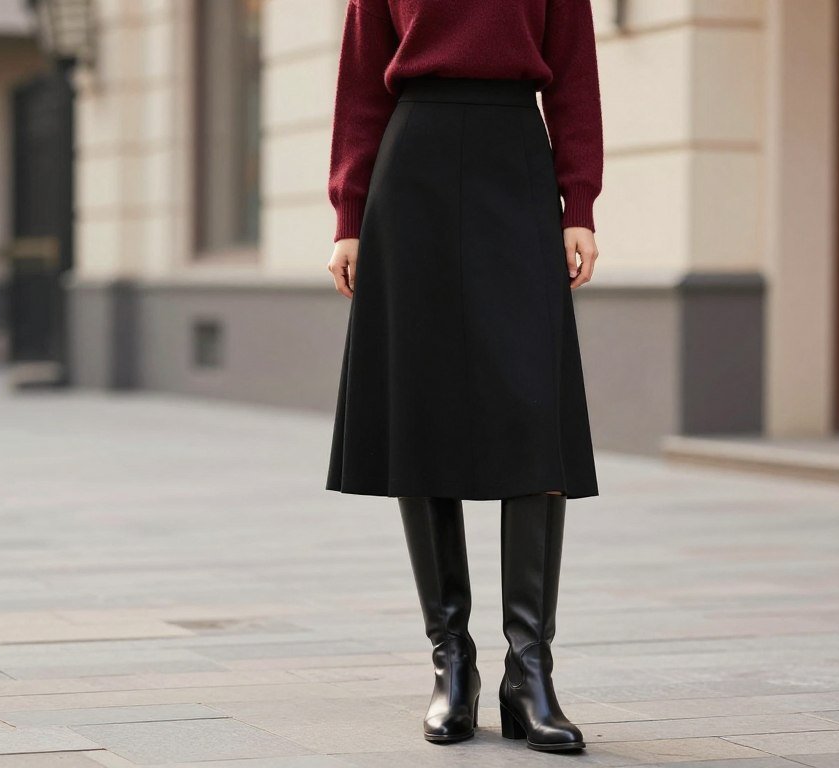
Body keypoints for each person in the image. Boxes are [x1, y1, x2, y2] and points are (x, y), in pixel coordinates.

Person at [324, 0, 602, 754]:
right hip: (410, 175)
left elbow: (575, 74)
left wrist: (579, 201)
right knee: (426, 406)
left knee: (532, 406)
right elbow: (360, 86)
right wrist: (349, 214)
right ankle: (454, 665)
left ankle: (530, 671)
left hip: (515, 165)